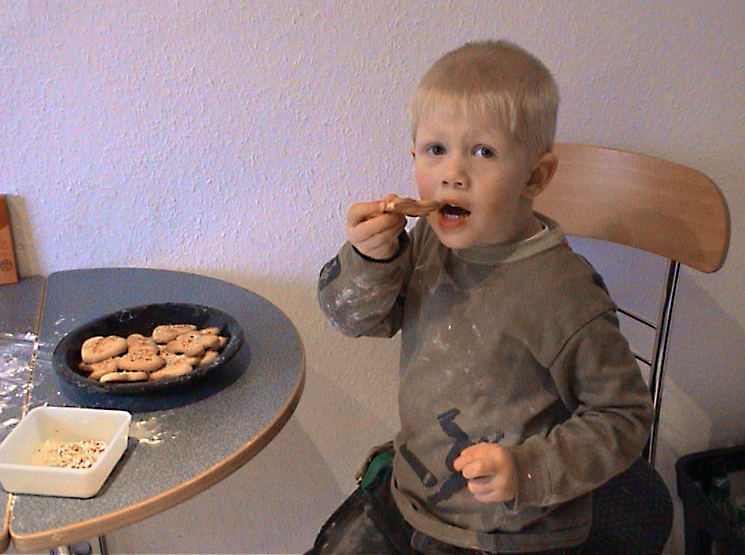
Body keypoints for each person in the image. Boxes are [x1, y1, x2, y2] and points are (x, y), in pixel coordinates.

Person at [313, 40, 653, 554]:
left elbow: (624, 418)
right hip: (414, 497)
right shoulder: (426, 241)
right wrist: (372, 260)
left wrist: (527, 469)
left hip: (515, 530)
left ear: (535, 177)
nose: (453, 173)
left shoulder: (564, 294)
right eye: (435, 150)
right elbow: (352, 318)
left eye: (483, 152)